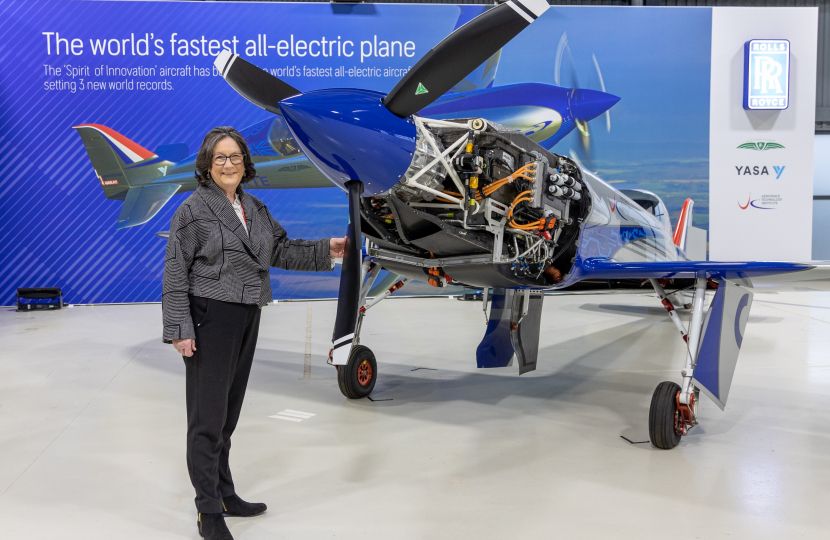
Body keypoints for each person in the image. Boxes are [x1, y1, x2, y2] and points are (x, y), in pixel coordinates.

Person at [162, 126, 346, 540]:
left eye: (235, 157)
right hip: (210, 315)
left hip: (247, 313)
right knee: (207, 420)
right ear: (207, 166)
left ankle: (225, 494)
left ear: (246, 163)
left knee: (227, 417)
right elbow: (175, 271)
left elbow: (279, 249)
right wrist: (179, 328)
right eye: (220, 158)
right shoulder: (192, 210)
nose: (229, 164)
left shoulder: (254, 207)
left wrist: (328, 249)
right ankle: (208, 512)